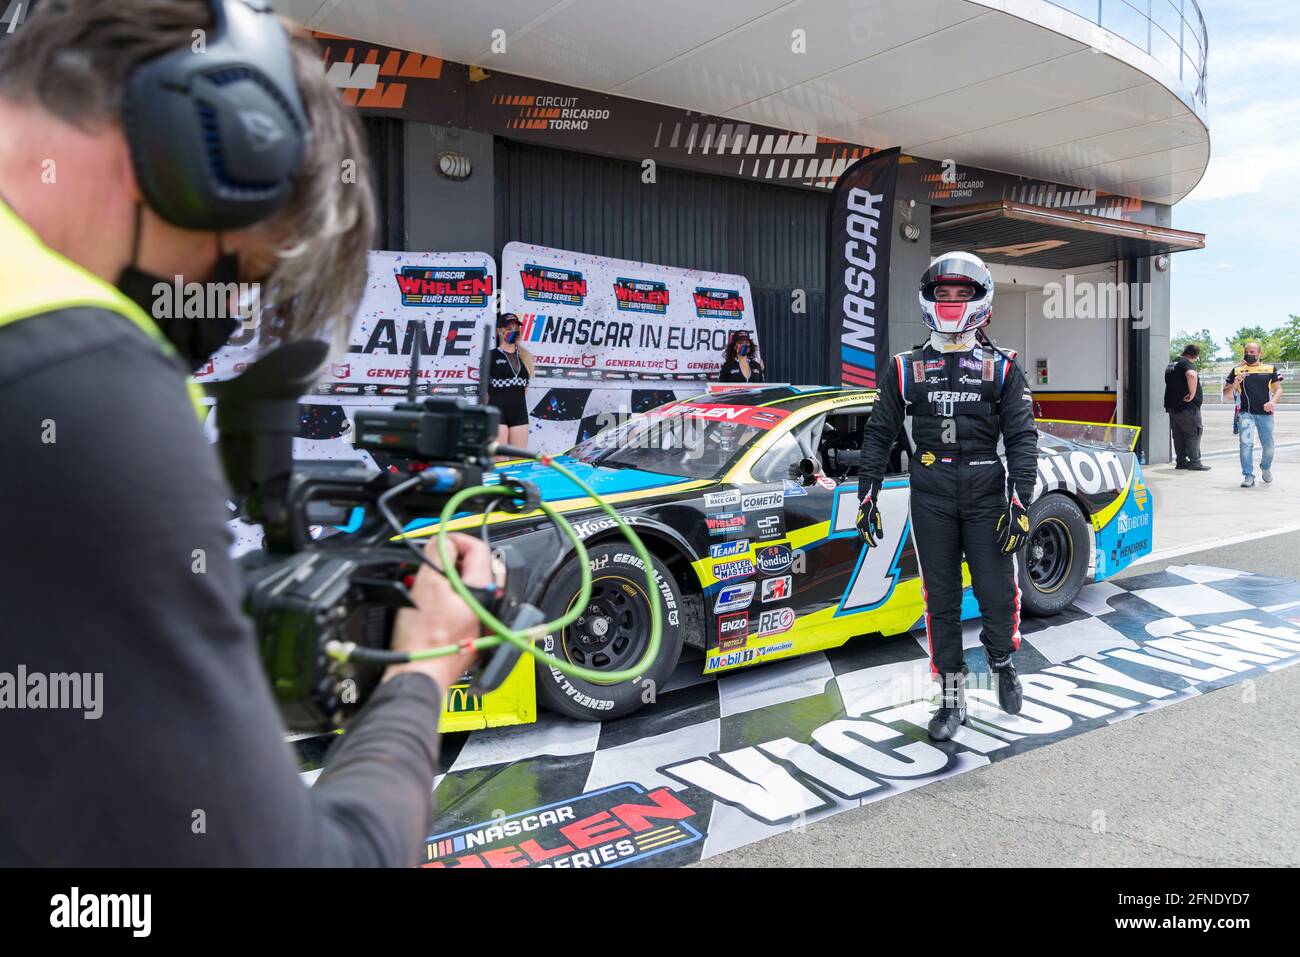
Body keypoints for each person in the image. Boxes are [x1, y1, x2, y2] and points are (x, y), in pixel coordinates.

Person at [0, 0, 490, 865]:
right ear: (207, 147)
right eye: (245, 268)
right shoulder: (78, 369)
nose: (225, 312)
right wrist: (424, 669)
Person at [854, 251, 1038, 742]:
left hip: (987, 494)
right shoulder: (903, 367)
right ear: (929, 300)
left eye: (962, 293)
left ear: (981, 300)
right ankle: (952, 699)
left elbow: (1023, 439)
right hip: (930, 491)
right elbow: (879, 433)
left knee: (998, 593)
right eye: (943, 293)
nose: (952, 301)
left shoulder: (1004, 367)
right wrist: (866, 493)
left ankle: (1002, 661)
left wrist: (1020, 500)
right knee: (942, 602)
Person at [1223, 341, 1283, 487]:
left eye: (1252, 352)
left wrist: (1272, 402)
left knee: (1269, 446)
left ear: (1259, 354)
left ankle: (1266, 467)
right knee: (1246, 445)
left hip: (1265, 414)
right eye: (1247, 352)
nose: (1249, 354)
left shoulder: (1269, 369)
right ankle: (1248, 476)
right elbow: (1227, 394)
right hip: (1246, 414)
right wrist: (1236, 382)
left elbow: (1278, 390)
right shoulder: (1237, 370)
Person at [488, 312, 534, 450]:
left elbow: (524, 389)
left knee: (519, 461)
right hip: (497, 413)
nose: (513, 331)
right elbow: (485, 392)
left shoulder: (525, 356)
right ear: (499, 331)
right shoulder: (491, 355)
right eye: (508, 329)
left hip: (519, 414)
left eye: (516, 328)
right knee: (499, 461)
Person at [1164, 343, 1210, 470]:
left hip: (1172, 405)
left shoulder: (1172, 363)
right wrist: (1192, 393)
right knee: (1193, 433)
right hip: (1187, 407)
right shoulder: (1187, 363)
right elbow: (1191, 375)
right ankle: (1195, 462)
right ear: (1195, 356)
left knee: (1178, 434)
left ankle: (1181, 462)